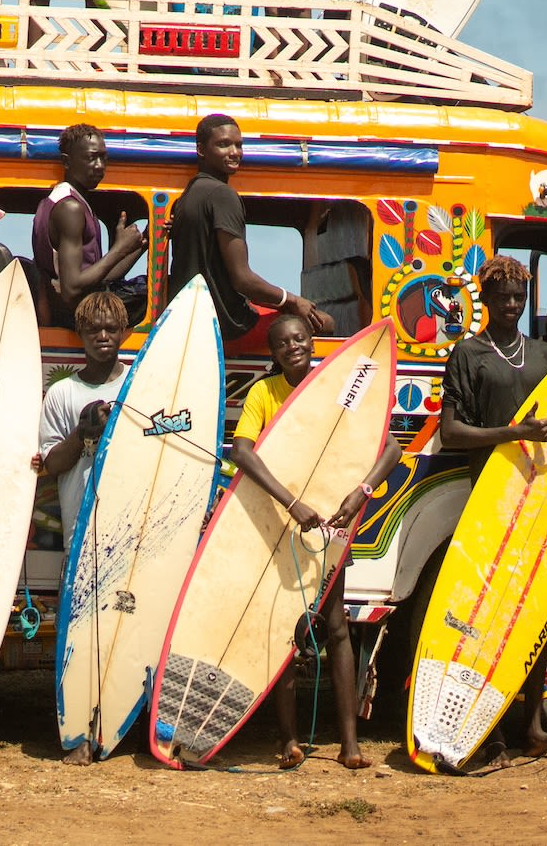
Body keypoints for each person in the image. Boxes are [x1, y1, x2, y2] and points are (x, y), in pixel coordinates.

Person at [225, 316, 400, 771]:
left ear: (312, 341)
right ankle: (289, 741)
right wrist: (291, 502)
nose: (293, 347)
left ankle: (349, 744)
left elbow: (392, 448)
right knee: (282, 628)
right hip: (279, 524)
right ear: (274, 352)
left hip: (332, 524)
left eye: (300, 338)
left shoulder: (338, 387)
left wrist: (360, 491)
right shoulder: (264, 394)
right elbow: (241, 451)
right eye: (283, 343)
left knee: (337, 625)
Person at [431, 252, 547, 760]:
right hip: (490, 498)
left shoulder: (543, 356)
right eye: (502, 297)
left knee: (536, 613)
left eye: (518, 296)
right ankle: (485, 732)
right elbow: (450, 432)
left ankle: (532, 728)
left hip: (539, 496)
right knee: (486, 619)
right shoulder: (468, 354)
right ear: (486, 301)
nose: (512, 304)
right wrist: (511, 434)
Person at [35, 289, 130, 766]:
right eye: (94, 330)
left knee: (125, 625)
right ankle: (78, 732)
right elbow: (51, 465)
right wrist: (84, 430)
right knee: (80, 626)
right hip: (80, 528)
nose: (104, 337)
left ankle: (115, 724)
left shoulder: (141, 384)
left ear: (125, 333)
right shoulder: (64, 393)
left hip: (134, 530)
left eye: (111, 329)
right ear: (82, 337)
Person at [161, 114, 329, 343]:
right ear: (201, 150)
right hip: (226, 324)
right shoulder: (223, 195)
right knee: (324, 322)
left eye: (238, 145)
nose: (234, 152)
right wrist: (292, 300)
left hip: (189, 317)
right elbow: (243, 280)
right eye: (223, 144)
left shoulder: (187, 196)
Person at [28, 123, 147, 327]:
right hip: (77, 316)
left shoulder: (70, 202)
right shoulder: (70, 208)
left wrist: (144, 242)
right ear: (67, 162)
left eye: (103, 158)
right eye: (91, 158)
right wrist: (119, 249)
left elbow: (102, 276)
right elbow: (72, 288)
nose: (100, 165)